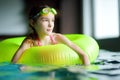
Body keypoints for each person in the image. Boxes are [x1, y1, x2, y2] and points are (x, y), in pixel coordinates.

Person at [11, 5, 90, 65]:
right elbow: (13, 63)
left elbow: (83, 55)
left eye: (52, 20)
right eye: (45, 20)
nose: (50, 25)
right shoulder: (30, 41)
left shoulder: (57, 38)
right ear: (32, 23)